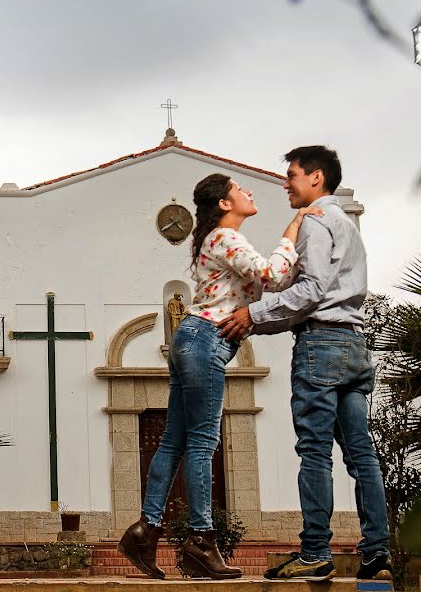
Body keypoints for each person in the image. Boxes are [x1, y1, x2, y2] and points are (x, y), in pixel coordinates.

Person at [119, 173, 321, 580]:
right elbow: (272, 277)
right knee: (201, 441)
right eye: (240, 189)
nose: (249, 192)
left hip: (191, 337)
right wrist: (292, 229)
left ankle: (145, 531)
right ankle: (200, 542)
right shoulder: (228, 238)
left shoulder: (213, 239)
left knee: (175, 439)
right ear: (225, 203)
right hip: (205, 339)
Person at [218, 146, 392, 582]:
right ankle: (377, 550)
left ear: (316, 178)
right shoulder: (347, 225)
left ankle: (315, 551)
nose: (286, 183)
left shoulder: (315, 222)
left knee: (314, 451)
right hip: (354, 345)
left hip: (322, 345)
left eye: (292, 175)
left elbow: (311, 292)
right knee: (361, 454)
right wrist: (260, 321)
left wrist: (253, 315)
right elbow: (325, 294)